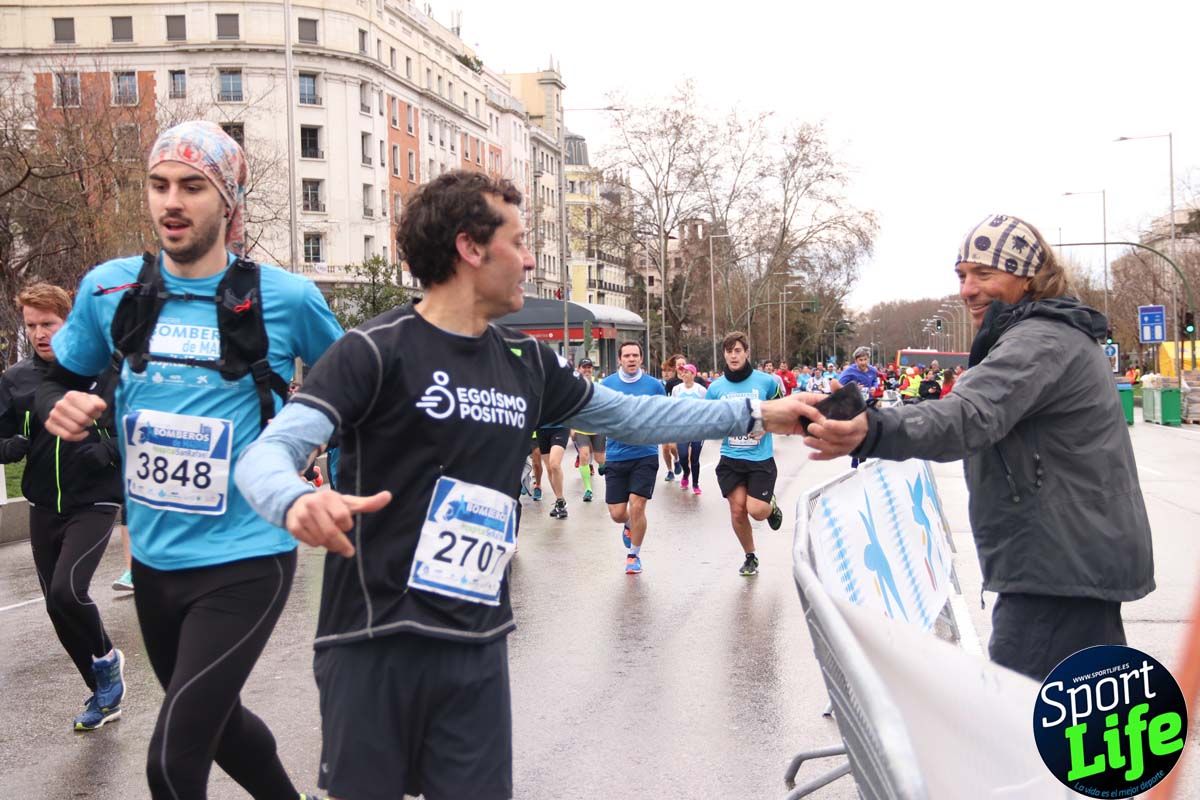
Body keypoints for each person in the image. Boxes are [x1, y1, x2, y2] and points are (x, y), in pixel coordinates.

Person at [232, 170, 812, 800]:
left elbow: (634, 416)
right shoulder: (374, 351)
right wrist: (295, 497)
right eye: (520, 240)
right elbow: (269, 453)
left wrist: (751, 413)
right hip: (377, 643)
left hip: (476, 643)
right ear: (470, 248)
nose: (532, 260)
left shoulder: (526, 363)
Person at [40, 121, 339, 799]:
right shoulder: (111, 289)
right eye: (159, 184)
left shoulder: (285, 298)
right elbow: (61, 374)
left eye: (192, 187)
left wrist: (323, 457)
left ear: (228, 202)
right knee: (220, 724)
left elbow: (354, 386)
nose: (171, 201)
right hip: (153, 562)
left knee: (172, 763)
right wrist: (69, 403)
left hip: (245, 561)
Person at [800, 213, 1154, 681]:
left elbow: (967, 415)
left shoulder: (1040, 340)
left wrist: (874, 429)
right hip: (1066, 561)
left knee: (1022, 729)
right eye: (962, 275)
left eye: (985, 274)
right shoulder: (1046, 333)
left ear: (1027, 277)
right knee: (1079, 735)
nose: (968, 289)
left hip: (1056, 570)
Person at [0, 283, 125, 731]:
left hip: (94, 498)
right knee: (58, 608)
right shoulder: (17, 380)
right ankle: (101, 690)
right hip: (42, 502)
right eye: (31, 325)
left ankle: (108, 666)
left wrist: (109, 452)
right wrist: (8, 447)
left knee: (66, 592)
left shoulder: (104, 371)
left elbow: (140, 426)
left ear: (68, 322)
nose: (38, 333)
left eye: (48, 324)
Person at [707, 332, 785, 576]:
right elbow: (709, 417)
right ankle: (750, 556)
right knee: (737, 510)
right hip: (731, 459)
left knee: (757, 511)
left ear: (747, 353)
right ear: (724, 355)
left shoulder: (767, 382)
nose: (733, 355)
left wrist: (766, 427)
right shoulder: (716, 388)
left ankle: (770, 507)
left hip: (759, 459)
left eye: (738, 350)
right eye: (729, 351)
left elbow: (781, 409)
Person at [603, 342, 666, 573]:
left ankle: (633, 555)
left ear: (641, 359)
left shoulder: (654, 385)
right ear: (620, 359)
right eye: (627, 355)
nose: (631, 359)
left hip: (645, 454)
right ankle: (628, 524)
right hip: (616, 455)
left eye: (635, 355)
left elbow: (663, 413)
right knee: (618, 513)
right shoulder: (607, 384)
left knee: (637, 505)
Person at [571, 358, 605, 501]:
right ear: (578, 369)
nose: (587, 370)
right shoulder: (573, 386)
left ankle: (603, 467)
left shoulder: (600, 385)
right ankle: (588, 490)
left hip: (598, 428)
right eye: (584, 367)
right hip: (581, 428)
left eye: (589, 367)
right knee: (584, 455)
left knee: (600, 459)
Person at [670, 363, 707, 494]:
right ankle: (686, 473)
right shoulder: (677, 389)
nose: (683, 374)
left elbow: (707, 409)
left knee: (695, 459)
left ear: (693, 374)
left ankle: (695, 484)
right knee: (684, 456)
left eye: (686, 372)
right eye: (682, 372)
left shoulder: (701, 390)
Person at [660, 355, 684, 481]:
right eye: (664, 371)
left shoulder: (687, 380)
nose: (666, 373)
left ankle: (677, 459)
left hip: (678, 419)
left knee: (673, 447)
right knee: (665, 447)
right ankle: (670, 471)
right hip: (665, 418)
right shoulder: (670, 383)